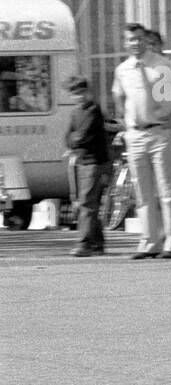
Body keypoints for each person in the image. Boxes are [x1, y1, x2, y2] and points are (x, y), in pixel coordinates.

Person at [112, 22, 171, 260]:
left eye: (139, 38)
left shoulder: (163, 64)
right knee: (143, 192)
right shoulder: (123, 70)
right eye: (130, 39)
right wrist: (125, 122)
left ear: (146, 40)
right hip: (136, 134)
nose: (135, 43)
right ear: (125, 43)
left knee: (168, 190)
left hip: (161, 132)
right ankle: (149, 242)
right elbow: (118, 94)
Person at [63, 75, 110, 257]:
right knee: (90, 203)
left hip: (95, 162)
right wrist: (73, 142)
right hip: (82, 162)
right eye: (75, 94)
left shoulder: (93, 110)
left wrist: (75, 143)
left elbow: (84, 135)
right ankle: (98, 243)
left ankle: (85, 243)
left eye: (81, 93)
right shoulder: (75, 112)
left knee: (86, 203)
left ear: (87, 92)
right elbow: (68, 135)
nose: (79, 97)